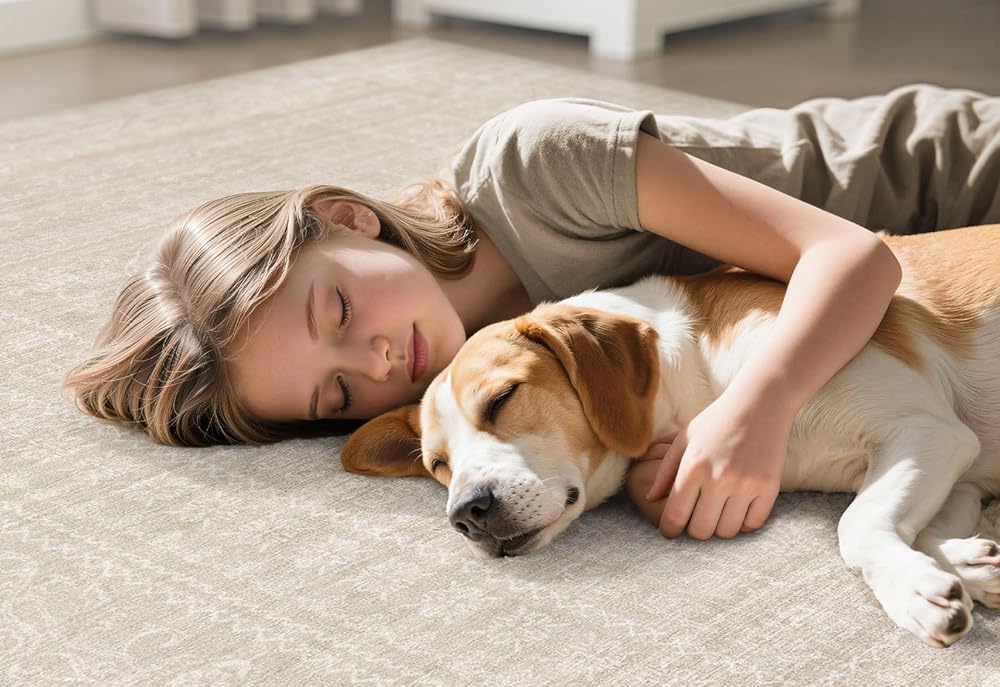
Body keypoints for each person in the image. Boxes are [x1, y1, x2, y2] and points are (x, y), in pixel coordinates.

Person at [63, 86, 1000, 541]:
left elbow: (854, 259)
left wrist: (758, 410)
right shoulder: (463, 395)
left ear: (349, 219)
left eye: (338, 309)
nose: (379, 360)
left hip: (946, 179)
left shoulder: (532, 163)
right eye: (336, 392)